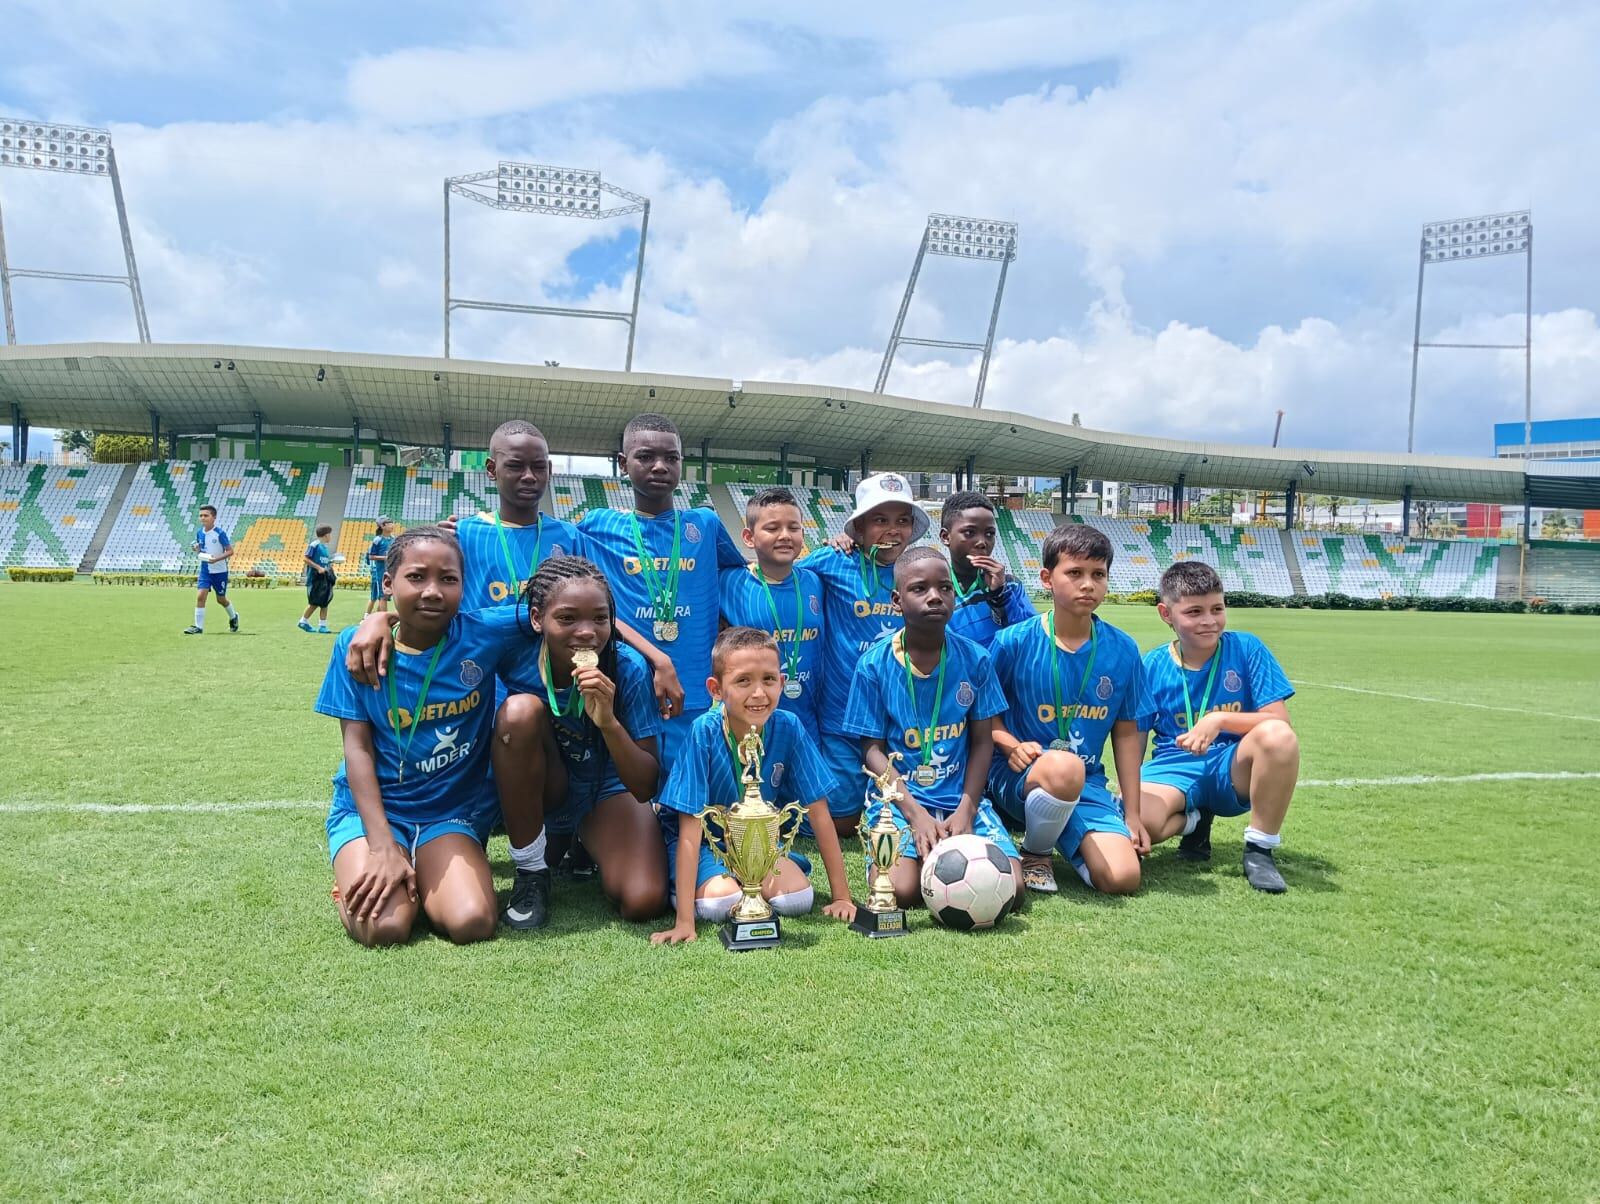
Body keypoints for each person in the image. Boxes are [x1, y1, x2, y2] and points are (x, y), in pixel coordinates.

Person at [313, 526, 526, 946]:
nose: (433, 591)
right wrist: (380, 847)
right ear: (388, 583)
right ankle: (363, 873)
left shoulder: (482, 633)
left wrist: (657, 660)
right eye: (416, 577)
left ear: (465, 585)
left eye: (448, 579)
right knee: (385, 928)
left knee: (473, 922)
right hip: (375, 814)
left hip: (448, 814)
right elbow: (356, 750)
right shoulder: (354, 648)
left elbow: (562, 604)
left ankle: (425, 879)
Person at [842, 546, 1021, 909]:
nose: (935, 596)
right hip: (901, 800)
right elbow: (872, 751)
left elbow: (983, 742)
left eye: (944, 588)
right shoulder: (873, 665)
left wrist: (968, 808)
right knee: (902, 891)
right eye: (920, 589)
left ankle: (943, 853)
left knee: (1012, 889)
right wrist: (915, 814)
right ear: (897, 599)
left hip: (958, 796)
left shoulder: (976, 659)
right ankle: (916, 854)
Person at [652, 627, 856, 945]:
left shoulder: (788, 726)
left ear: (781, 682)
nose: (759, 693)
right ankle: (688, 890)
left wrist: (842, 896)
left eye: (769, 680)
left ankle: (752, 876)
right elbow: (690, 830)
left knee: (798, 899)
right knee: (722, 902)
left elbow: (818, 812)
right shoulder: (702, 732)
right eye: (743, 681)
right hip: (707, 845)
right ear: (716, 689)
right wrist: (684, 923)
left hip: (759, 842)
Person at [496, 555, 668, 925]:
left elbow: (645, 784)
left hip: (607, 786)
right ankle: (531, 872)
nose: (587, 632)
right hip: (547, 782)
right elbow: (449, 626)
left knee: (644, 900)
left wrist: (608, 723)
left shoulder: (626, 667)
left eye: (600, 618)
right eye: (567, 618)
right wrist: (381, 619)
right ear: (537, 618)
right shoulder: (513, 652)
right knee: (519, 712)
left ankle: (583, 840)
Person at [576, 413, 747, 773]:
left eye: (671, 458)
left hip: (696, 683)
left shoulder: (705, 524)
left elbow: (742, 575)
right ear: (623, 464)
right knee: (639, 787)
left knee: (693, 792)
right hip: (631, 682)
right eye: (645, 457)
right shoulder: (596, 526)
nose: (659, 466)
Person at [989, 525, 1150, 895]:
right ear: (1047, 578)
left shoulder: (1123, 650)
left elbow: (1127, 733)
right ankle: (1035, 853)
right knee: (1063, 767)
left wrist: (1133, 815)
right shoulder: (1013, 642)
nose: (1087, 584)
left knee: (1122, 878)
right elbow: (985, 716)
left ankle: (1062, 827)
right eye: (1074, 573)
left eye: (1098, 574)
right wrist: (1010, 743)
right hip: (1016, 778)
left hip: (1087, 781)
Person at [1137, 561, 1300, 893]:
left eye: (1217, 609)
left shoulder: (1247, 648)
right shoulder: (1151, 665)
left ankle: (1259, 850)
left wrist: (1219, 719)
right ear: (1166, 614)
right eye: (1194, 611)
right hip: (1173, 766)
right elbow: (1135, 737)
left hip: (1231, 765)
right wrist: (1132, 798)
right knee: (1140, 823)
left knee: (1279, 737)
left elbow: (1278, 720)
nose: (1209, 620)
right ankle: (1194, 822)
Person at [798, 471, 924, 836]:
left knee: (904, 805)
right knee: (840, 820)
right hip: (842, 718)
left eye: (902, 521)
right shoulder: (833, 560)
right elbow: (782, 580)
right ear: (859, 527)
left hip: (901, 718)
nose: (892, 530)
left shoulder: (915, 570)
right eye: (880, 520)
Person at [717, 486, 826, 740]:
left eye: (794, 527)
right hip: (748, 721)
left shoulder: (816, 582)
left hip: (808, 723)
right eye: (772, 528)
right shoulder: (728, 581)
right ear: (748, 537)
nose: (785, 535)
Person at [939, 491, 1034, 649]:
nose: (982, 542)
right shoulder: (935, 592)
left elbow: (1031, 638)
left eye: (989, 534)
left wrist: (1001, 596)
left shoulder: (1011, 586)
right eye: (970, 532)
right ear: (945, 537)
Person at [183, 504, 240, 635]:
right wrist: (197, 550)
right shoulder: (199, 533)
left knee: (221, 599)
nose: (203, 518)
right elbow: (201, 550)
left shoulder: (219, 533)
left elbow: (230, 551)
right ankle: (198, 627)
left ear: (213, 517)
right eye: (201, 515)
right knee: (200, 596)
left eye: (206, 515)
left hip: (219, 571)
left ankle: (233, 616)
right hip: (205, 570)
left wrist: (217, 559)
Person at [299, 523, 336, 633]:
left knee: (325, 602)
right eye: (330, 534)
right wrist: (318, 567)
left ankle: (322, 626)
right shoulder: (314, 545)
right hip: (315, 578)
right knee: (315, 602)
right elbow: (306, 558)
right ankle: (303, 621)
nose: (330, 537)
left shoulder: (325, 547)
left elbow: (323, 562)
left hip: (324, 578)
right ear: (325, 535)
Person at [364, 517, 394, 616]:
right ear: (383, 526)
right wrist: (385, 558)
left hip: (390, 571)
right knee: (381, 596)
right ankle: (384, 619)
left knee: (385, 596)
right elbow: (371, 556)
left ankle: (375, 618)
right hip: (380, 572)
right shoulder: (377, 540)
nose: (392, 525)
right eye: (389, 523)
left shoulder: (394, 539)